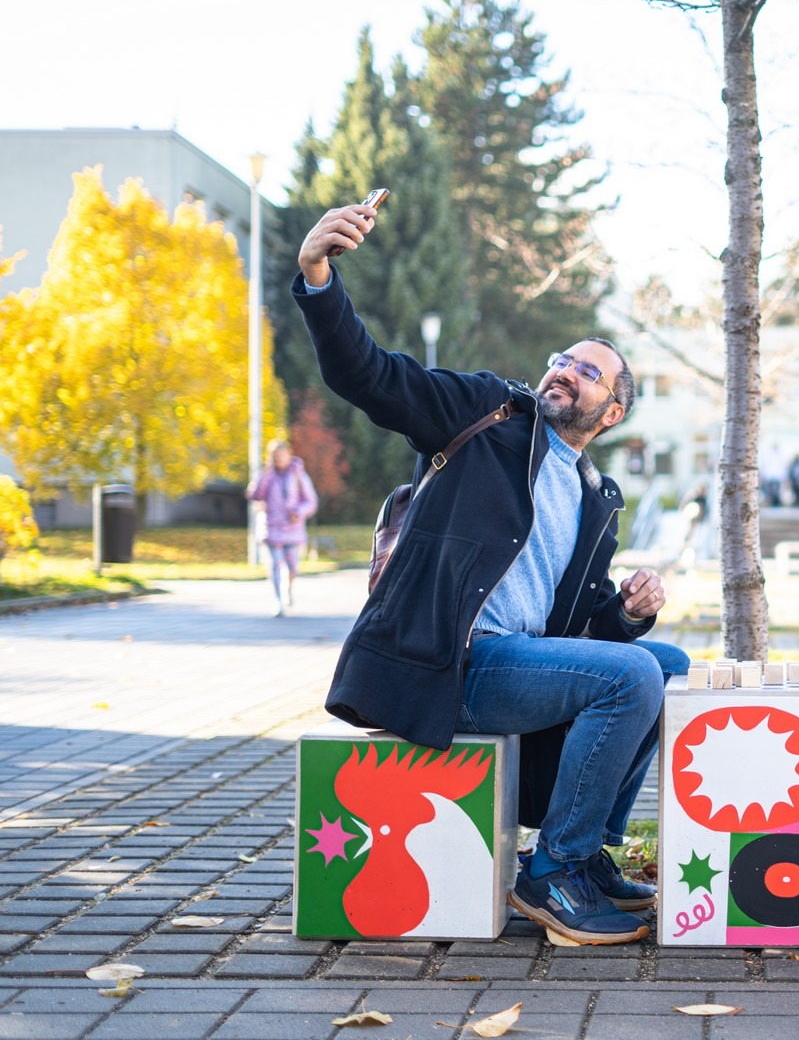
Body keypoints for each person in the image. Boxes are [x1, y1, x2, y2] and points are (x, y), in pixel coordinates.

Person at [292, 197, 688, 946]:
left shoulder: (597, 496)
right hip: (451, 663)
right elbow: (371, 376)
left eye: (589, 372)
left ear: (611, 412)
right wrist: (318, 276)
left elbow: (584, 630)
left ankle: (588, 852)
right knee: (634, 675)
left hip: (518, 663)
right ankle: (553, 871)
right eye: (564, 359)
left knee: (663, 663)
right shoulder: (487, 415)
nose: (565, 371)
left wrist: (629, 614)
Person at [246, 439, 318, 617]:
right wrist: (266, 474)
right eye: (275, 456)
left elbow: (311, 501)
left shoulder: (298, 474)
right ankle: (278, 601)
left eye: (281, 455)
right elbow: (255, 495)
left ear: (289, 455)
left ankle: (289, 590)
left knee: (292, 567)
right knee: (275, 566)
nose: (278, 459)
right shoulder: (266, 474)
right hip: (271, 528)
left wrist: (298, 512)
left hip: (293, 529)